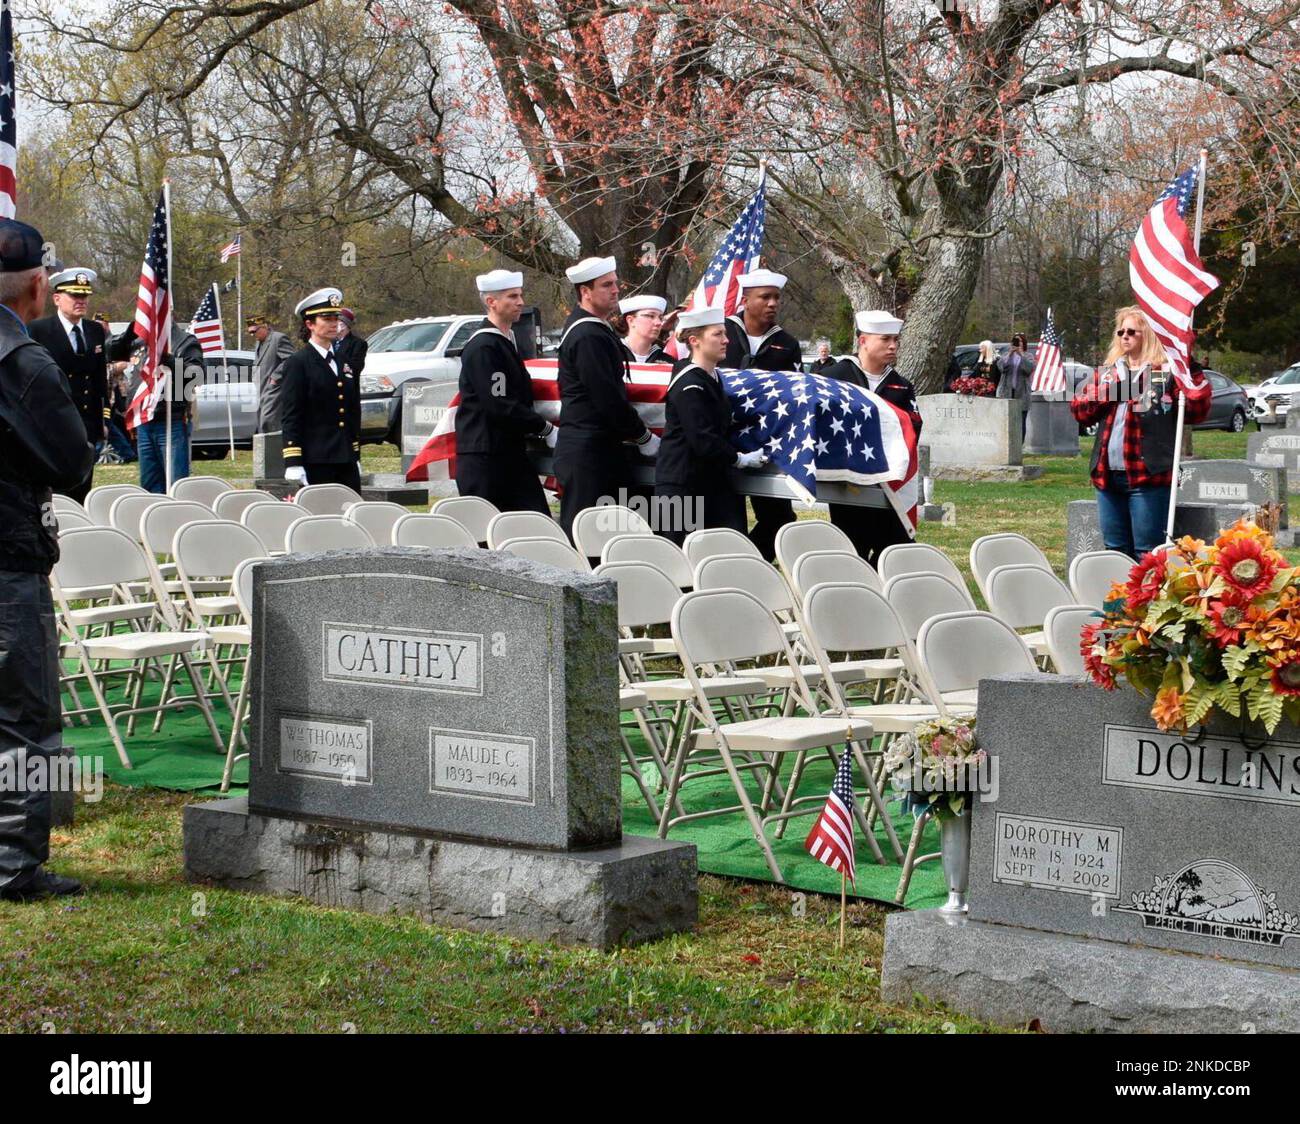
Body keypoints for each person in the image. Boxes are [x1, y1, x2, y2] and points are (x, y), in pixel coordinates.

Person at [0, 219, 96, 901]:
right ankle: (12, 866)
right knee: (22, 719)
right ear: (39, 286)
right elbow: (75, 464)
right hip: (8, 562)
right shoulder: (26, 363)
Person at [1070, 305, 1211, 559]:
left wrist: (1188, 367)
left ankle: (1144, 600)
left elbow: (1197, 411)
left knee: (1147, 553)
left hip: (1149, 477)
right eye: (1120, 331)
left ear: (1149, 335)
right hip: (1107, 476)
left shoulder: (1167, 372)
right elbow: (1080, 410)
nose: (1124, 336)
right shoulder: (1108, 374)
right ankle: (1116, 600)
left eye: (1132, 331)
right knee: (1114, 551)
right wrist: (1115, 391)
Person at [553, 256, 659, 539]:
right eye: (606, 285)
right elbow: (607, 397)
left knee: (610, 536)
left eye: (615, 284)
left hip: (595, 449)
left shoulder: (591, 328)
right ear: (585, 292)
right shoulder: (588, 335)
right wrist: (643, 436)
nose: (616, 290)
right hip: (589, 453)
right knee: (588, 539)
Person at [655, 307, 765, 544]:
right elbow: (702, 438)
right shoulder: (689, 384)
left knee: (728, 553)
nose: (726, 340)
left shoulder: (711, 378)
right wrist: (739, 459)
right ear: (695, 341)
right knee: (680, 566)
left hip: (711, 483)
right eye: (717, 334)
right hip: (682, 486)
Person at [822, 310, 923, 564]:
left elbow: (912, 427)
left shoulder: (901, 385)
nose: (893, 346)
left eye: (895, 340)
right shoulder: (835, 377)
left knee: (894, 551)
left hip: (889, 485)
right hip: (848, 483)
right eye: (885, 339)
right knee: (853, 550)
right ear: (863, 341)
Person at [454, 269, 555, 514]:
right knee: (488, 538)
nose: (520, 302)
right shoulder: (485, 346)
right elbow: (499, 402)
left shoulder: (503, 341)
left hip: (506, 453)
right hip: (486, 457)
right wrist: (545, 428)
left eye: (520, 295)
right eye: (512, 296)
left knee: (533, 525)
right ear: (492, 302)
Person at [723, 268, 802, 560]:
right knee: (727, 520)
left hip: (765, 442)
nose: (772, 304)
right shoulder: (721, 332)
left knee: (779, 518)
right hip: (723, 439)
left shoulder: (788, 344)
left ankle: (749, 564)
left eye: (776, 298)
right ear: (745, 299)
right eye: (765, 297)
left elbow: (794, 394)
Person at [28, 269, 111, 502]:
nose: (81, 301)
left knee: (82, 489)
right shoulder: (39, 330)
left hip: (87, 425)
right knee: (55, 495)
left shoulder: (95, 331)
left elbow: (98, 379)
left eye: (84, 296)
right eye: (75, 296)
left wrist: (103, 419)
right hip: (54, 424)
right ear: (57, 298)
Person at [281, 287, 362, 493]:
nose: (334, 324)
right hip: (315, 458)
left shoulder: (343, 361)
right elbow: (292, 414)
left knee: (349, 518)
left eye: (336, 318)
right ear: (310, 324)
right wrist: (293, 461)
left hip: (345, 458)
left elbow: (351, 410)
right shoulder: (298, 363)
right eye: (327, 319)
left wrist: (355, 452)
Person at [133, 324, 204, 494]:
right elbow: (137, 379)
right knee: (149, 483)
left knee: (176, 484)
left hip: (172, 420)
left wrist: (169, 360)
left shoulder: (186, 341)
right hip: (145, 420)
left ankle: (177, 517)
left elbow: (197, 376)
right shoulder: (141, 341)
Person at [249, 314, 296, 434]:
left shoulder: (278, 339)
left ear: (264, 326)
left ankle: (276, 451)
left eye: (255, 331)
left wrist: (275, 377)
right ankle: (268, 452)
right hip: (261, 390)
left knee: (268, 422)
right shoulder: (258, 343)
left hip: (275, 390)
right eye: (250, 332)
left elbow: (290, 360)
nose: (253, 335)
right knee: (262, 425)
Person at [997, 332, 1033, 440]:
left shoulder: (1028, 356)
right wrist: (1010, 354)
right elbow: (1001, 368)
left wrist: (1021, 355)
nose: (1018, 343)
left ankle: (1019, 446)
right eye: (1016, 341)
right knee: (1006, 420)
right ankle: (1007, 443)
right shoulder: (1006, 355)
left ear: (1024, 343)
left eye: (1020, 341)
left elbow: (1028, 369)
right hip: (1007, 392)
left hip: (1022, 393)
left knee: (1021, 420)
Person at [617, 295, 672, 364]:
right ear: (630, 320)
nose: (658, 323)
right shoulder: (611, 354)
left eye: (661, 318)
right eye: (651, 316)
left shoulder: (668, 362)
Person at [334, 307, 368, 379]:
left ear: (343, 325)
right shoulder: (329, 342)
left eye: (335, 321)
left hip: (347, 386)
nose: (331, 325)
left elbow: (356, 368)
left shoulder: (359, 344)